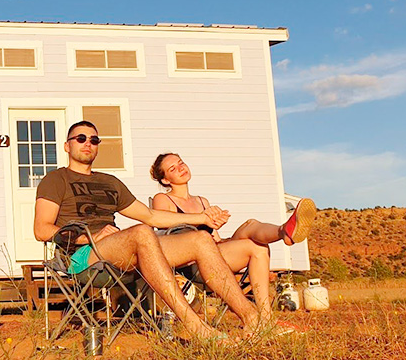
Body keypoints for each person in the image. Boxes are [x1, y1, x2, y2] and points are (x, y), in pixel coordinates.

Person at [34, 121, 270, 341]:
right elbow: (41, 229)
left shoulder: (110, 182)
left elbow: (150, 215)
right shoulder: (56, 179)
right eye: (81, 138)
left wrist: (203, 217)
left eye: (94, 140)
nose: (88, 143)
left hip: (119, 251)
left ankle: (254, 320)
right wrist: (90, 236)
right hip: (82, 255)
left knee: (199, 238)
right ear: (67, 145)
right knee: (142, 233)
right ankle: (198, 328)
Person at [150, 152, 316, 321]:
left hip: (214, 252)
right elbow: (164, 226)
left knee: (250, 225)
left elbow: (215, 239)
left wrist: (215, 224)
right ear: (165, 180)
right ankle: (265, 319)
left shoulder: (202, 201)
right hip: (192, 263)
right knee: (257, 247)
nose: (180, 168)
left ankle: (284, 231)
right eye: (173, 168)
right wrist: (202, 219)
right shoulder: (163, 199)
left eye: (181, 163)